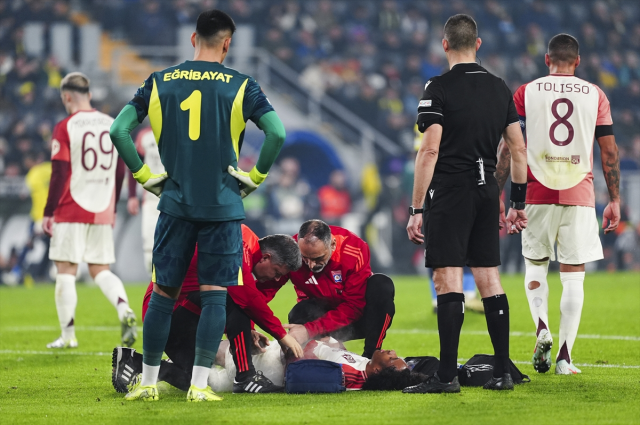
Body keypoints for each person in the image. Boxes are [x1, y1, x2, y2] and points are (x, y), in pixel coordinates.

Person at [109, 9, 286, 402]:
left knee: (162, 295)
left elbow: (118, 130)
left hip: (174, 203)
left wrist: (143, 176)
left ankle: (149, 383)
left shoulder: (159, 82)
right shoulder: (242, 85)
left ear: (193, 39)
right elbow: (276, 132)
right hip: (222, 206)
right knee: (214, 297)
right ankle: (200, 387)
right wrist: (254, 177)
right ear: (227, 44)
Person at [405, 14, 528, 393]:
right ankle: (503, 372)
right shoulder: (499, 87)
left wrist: (416, 209)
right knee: (490, 277)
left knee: (447, 278)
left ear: (445, 45)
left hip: (451, 189)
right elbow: (518, 149)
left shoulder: (437, 87)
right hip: (487, 190)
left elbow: (429, 151)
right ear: (478, 44)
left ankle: (445, 378)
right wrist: (517, 204)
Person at [497, 34, 620, 375]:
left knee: (535, 266)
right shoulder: (595, 94)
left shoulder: (526, 92)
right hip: (579, 192)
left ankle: (542, 329)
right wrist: (614, 200)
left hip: (536, 192)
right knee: (573, 276)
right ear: (577, 62)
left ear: (546, 59)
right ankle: (565, 357)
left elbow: (510, 147)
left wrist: (501, 194)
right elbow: (608, 152)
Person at [111, 225, 303, 394]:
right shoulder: (241, 245)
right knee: (233, 300)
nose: (277, 279)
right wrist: (281, 335)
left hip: (179, 312)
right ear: (266, 258)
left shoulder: (243, 242)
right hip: (170, 311)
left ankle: (133, 362)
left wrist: (248, 329)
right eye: (277, 272)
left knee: (196, 379)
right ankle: (246, 377)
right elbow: (247, 298)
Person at [42, 72, 137, 349]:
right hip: (102, 208)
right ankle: (123, 309)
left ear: (66, 97)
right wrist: (112, 207)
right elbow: (121, 168)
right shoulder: (111, 123)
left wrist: (49, 212)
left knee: (66, 270)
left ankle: (68, 335)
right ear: (90, 95)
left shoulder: (65, 126)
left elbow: (59, 173)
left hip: (71, 206)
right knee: (100, 269)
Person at [265, 219, 396, 358]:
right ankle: (311, 359)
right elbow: (265, 289)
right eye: (304, 258)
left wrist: (309, 330)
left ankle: (370, 357)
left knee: (381, 285)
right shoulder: (290, 252)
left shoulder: (354, 249)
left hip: (358, 318)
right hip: (321, 314)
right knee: (300, 312)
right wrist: (249, 326)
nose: (311, 265)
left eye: (318, 258)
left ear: (332, 245)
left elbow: (354, 306)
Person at [125, 126, 163, 274]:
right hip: (151, 200)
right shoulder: (144, 135)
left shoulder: (180, 129)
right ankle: (155, 289)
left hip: (175, 200)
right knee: (149, 247)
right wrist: (132, 196)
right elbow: (134, 165)